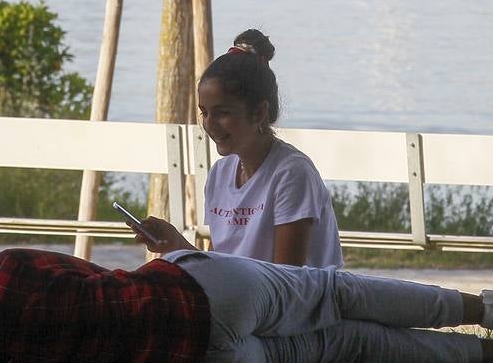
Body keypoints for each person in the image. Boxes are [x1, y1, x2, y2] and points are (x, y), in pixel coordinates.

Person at [0, 224, 493, 363]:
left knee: (349, 343)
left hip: (201, 360)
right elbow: (93, 274)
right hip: (196, 292)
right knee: (336, 292)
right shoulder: (12, 267)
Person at [135, 29, 343, 268]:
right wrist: (174, 243)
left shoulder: (291, 173)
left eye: (223, 113)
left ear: (259, 113)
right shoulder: (220, 174)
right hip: (244, 300)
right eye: (204, 112)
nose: (209, 124)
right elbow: (218, 267)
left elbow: (288, 282)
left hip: (292, 304)